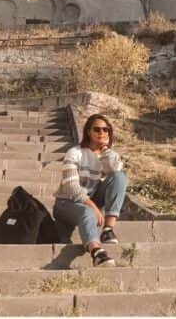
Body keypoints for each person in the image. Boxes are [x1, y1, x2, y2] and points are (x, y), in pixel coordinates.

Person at [52, 113, 129, 267]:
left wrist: (105, 150)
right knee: (87, 212)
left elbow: (116, 171)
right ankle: (97, 252)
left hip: (90, 199)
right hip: (66, 203)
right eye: (97, 129)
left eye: (106, 130)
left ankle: (107, 229)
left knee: (119, 177)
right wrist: (93, 207)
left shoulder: (108, 155)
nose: (102, 133)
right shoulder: (75, 153)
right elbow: (71, 188)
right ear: (89, 131)